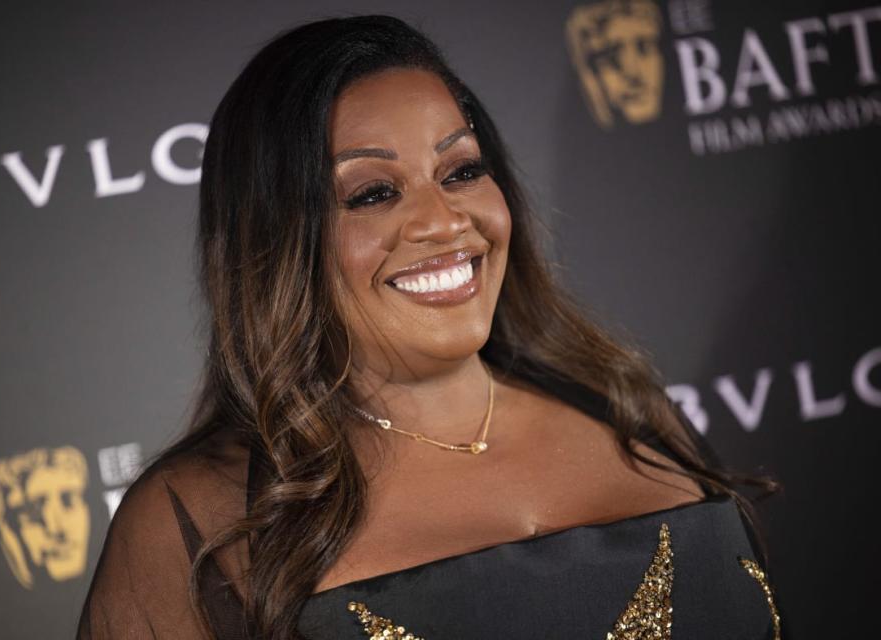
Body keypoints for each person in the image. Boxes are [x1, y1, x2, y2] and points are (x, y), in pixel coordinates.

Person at [76, 14, 784, 640]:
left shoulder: (630, 407)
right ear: (275, 241)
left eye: (460, 170)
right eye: (373, 193)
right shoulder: (197, 521)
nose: (444, 221)